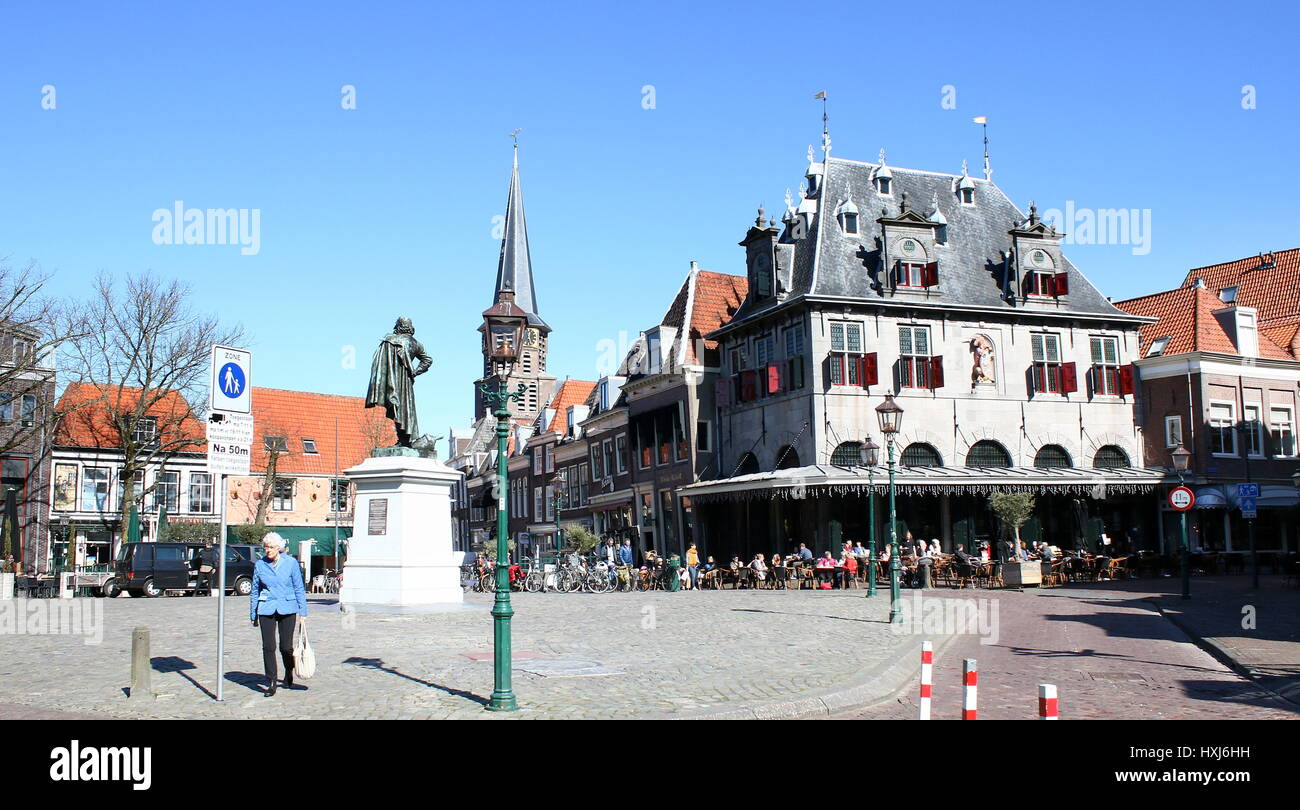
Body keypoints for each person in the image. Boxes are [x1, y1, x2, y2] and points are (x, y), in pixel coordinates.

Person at [250, 532, 308, 697]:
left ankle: (289, 670)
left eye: (272, 547)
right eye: (266, 547)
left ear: (279, 548)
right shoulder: (260, 565)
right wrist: (253, 614)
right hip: (266, 607)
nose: (268, 550)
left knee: (285, 647)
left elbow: (299, 587)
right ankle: (271, 681)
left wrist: (303, 612)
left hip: (287, 607)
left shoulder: (291, 563)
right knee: (268, 646)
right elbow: (255, 590)